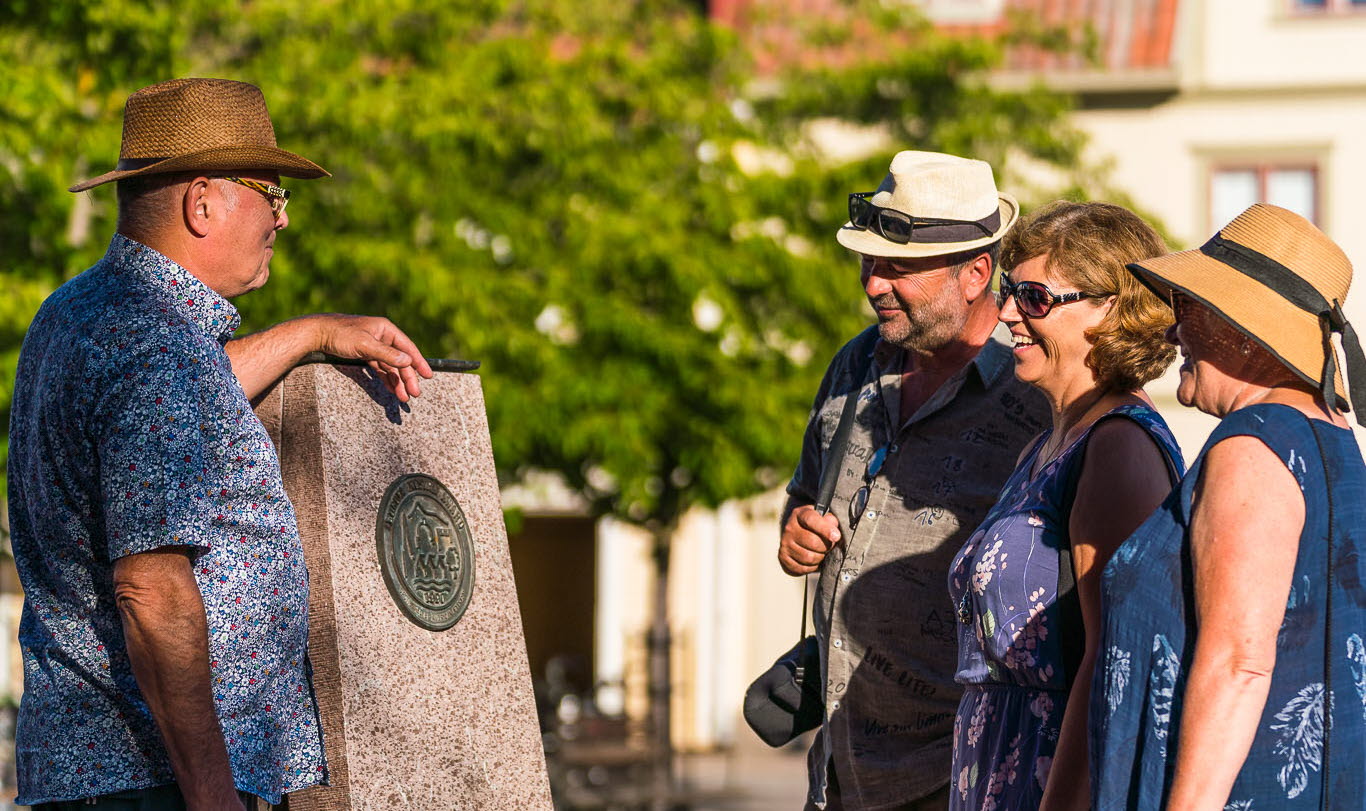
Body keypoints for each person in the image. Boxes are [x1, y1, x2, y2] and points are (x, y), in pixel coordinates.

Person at [7, 78, 434, 810]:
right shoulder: (155, 344)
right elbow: (151, 590)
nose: (283, 218)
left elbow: (176, 412)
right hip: (156, 784)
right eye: (271, 194)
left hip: (104, 776)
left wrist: (313, 332)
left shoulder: (86, 312)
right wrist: (211, 796)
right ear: (201, 203)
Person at [778, 150, 1050, 810]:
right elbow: (803, 493)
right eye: (868, 263)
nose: (873, 284)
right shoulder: (853, 363)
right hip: (836, 775)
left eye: (898, 268)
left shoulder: (1038, 395)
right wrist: (795, 530)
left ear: (976, 272)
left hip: (961, 780)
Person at [1091, 203, 1366, 809]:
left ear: (1245, 329)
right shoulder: (1327, 433)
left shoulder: (1254, 443)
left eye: (1188, 307)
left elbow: (1239, 664)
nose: (1173, 332)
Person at [944, 201, 1183, 811]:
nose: (1006, 314)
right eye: (1009, 292)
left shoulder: (1118, 446)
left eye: (1034, 298)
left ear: (1110, 310)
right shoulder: (1047, 444)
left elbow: (1114, 663)